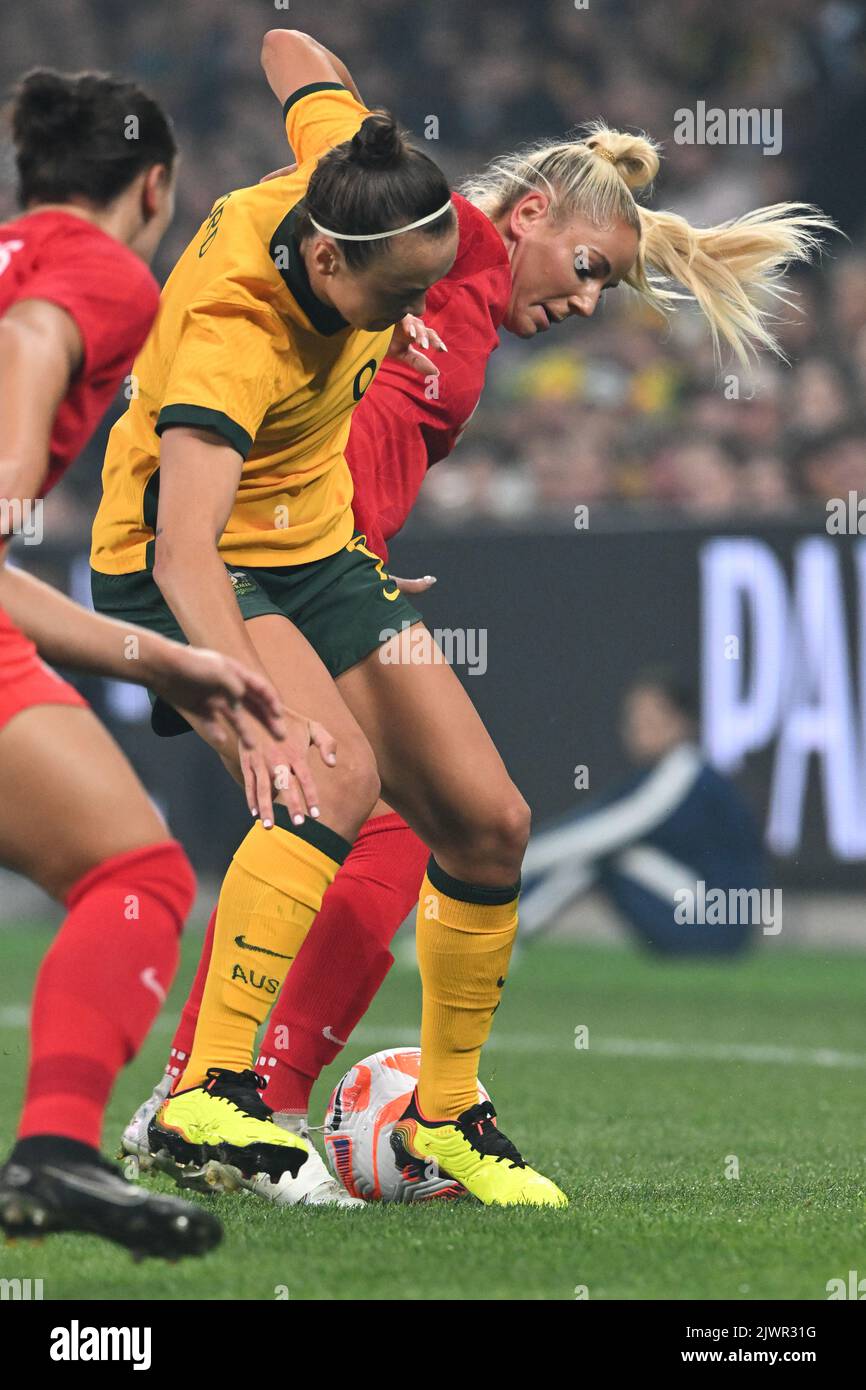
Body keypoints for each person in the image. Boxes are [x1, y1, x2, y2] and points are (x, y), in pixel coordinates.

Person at [93, 26, 831, 1210]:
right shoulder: (240, 328)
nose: (589, 302)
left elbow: (296, 54)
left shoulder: (403, 213)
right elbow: (183, 541)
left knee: (487, 822)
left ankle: (440, 1116)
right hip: (198, 553)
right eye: (591, 268)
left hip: (321, 549)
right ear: (336, 269)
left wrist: (310, 75)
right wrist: (254, 704)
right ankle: (207, 1094)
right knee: (334, 786)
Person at [0, 68, 293, 1259]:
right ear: (156, 187)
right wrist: (15, 476)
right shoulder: (108, 274)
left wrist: (157, 660)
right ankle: (55, 1152)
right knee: (138, 874)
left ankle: (56, 1158)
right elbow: (32, 340)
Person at [520, 670, 764, 955]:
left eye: (650, 718)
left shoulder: (683, 773)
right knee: (605, 852)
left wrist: (518, 858)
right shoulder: (660, 775)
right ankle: (507, 929)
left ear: (681, 723)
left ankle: (505, 933)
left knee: (604, 854)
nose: (637, 728)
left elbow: (599, 833)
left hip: (714, 923)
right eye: (632, 719)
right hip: (705, 917)